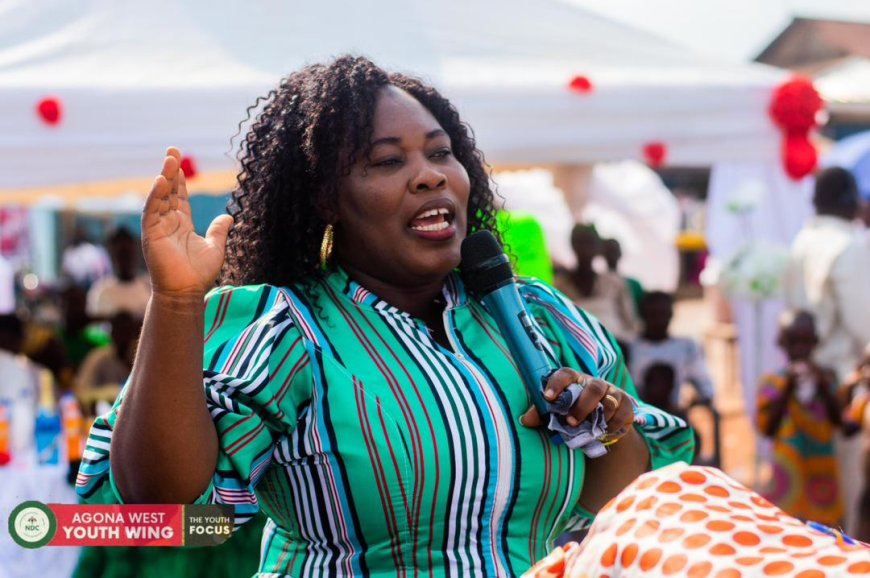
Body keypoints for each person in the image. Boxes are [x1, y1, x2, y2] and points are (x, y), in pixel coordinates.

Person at [76, 56, 693, 576]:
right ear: (326, 198)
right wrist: (179, 303)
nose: (429, 177)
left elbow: (621, 500)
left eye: (440, 153)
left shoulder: (538, 320)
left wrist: (606, 425)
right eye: (388, 161)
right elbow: (157, 500)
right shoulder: (286, 332)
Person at [784, 166, 870, 532]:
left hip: (800, 381)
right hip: (839, 387)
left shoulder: (801, 242)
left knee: (806, 490)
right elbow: (864, 325)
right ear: (850, 200)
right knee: (846, 488)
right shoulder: (848, 245)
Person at [755, 310, 844, 527]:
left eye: (806, 342)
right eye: (793, 342)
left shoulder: (828, 377)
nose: (800, 349)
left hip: (822, 475)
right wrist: (787, 390)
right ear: (781, 342)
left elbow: (840, 419)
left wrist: (822, 386)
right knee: (786, 532)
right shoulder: (772, 381)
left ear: (815, 341)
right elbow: (766, 428)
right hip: (785, 477)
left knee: (827, 536)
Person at [554, 224, 639, 356]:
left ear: (598, 247)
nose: (585, 248)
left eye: (590, 242)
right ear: (573, 245)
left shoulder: (614, 282)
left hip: (617, 350)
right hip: (579, 354)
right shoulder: (559, 286)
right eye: (581, 242)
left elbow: (630, 323)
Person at [629, 291, 714, 408]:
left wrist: (691, 406)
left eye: (664, 314)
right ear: (642, 315)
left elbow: (706, 390)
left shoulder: (686, 347)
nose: (659, 320)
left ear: (671, 315)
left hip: (674, 415)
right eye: (654, 314)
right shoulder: (629, 348)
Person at [86, 226, 152, 319]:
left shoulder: (150, 288)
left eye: (130, 253)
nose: (127, 259)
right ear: (112, 255)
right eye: (122, 254)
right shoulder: (100, 292)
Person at [600, 238, 644, 316]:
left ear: (620, 253)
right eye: (609, 250)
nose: (611, 254)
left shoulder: (634, 285)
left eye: (614, 250)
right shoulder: (598, 284)